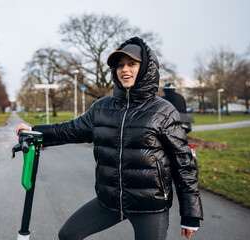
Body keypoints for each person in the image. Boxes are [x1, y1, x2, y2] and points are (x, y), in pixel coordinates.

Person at [16, 37, 203, 240]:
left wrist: (190, 214)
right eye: (120, 65)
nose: (125, 70)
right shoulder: (102, 107)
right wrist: (35, 132)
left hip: (149, 206)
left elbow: (184, 164)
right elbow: (69, 130)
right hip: (110, 202)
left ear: (146, 67)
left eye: (132, 64)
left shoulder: (163, 111)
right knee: (68, 235)